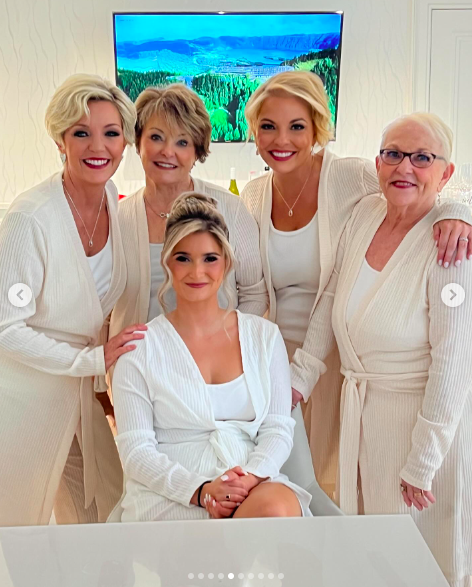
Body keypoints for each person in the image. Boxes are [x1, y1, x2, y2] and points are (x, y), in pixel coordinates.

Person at [241, 70, 472, 499]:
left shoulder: (352, 178)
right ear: (253, 132)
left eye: (296, 126)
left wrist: (460, 209)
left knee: (329, 484)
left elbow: (423, 187)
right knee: (284, 482)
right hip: (282, 361)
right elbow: (253, 287)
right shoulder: (254, 195)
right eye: (268, 126)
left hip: (339, 359)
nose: (281, 139)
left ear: (316, 130)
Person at [291, 113, 472, 587]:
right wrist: (302, 374)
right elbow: (331, 296)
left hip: (415, 424)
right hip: (361, 412)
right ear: (378, 161)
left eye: (422, 157)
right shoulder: (366, 212)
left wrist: (423, 460)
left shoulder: (452, 246)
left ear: (446, 172)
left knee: (414, 559)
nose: (404, 167)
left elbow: (454, 363)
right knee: (368, 553)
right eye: (393, 154)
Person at [109, 193, 311, 522]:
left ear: (226, 262)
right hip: (171, 490)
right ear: (167, 262)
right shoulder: (139, 348)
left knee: (276, 509)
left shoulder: (264, 337)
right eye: (184, 258)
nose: (197, 272)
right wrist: (202, 490)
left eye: (210, 258)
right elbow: (136, 451)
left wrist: (249, 478)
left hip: (249, 483)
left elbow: (277, 428)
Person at [0, 74, 147, 526]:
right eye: (80, 133)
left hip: (81, 397)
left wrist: (102, 381)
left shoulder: (111, 200)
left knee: (103, 510)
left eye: (110, 133)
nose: (96, 146)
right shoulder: (31, 218)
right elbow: (7, 328)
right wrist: (92, 360)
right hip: (26, 397)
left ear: (125, 144)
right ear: (60, 141)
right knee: (21, 520)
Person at [109, 84, 267, 348]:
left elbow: (255, 292)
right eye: (156, 137)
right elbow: (103, 305)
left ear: (197, 152)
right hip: (136, 370)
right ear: (138, 144)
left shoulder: (231, 210)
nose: (167, 152)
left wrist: (222, 343)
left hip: (212, 371)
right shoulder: (116, 218)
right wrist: (104, 378)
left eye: (182, 141)